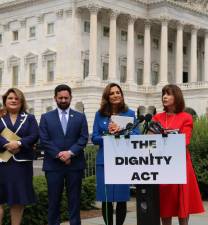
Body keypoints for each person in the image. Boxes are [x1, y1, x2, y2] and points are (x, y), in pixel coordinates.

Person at [152, 84, 204, 225]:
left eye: (168, 94)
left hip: (180, 164)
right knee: (165, 204)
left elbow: (185, 140)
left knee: (183, 204)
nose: (164, 97)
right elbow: (150, 140)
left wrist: (165, 137)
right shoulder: (157, 117)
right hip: (162, 165)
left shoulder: (186, 117)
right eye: (163, 94)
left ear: (177, 97)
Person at [39, 84, 88, 225]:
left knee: (74, 200)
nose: (63, 100)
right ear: (55, 98)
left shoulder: (80, 117)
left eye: (66, 97)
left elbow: (83, 138)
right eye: (60, 97)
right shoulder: (46, 117)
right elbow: (44, 139)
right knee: (54, 200)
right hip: (53, 165)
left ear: (71, 98)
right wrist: (60, 155)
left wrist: (70, 153)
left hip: (75, 165)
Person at [92, 83, 140, 225]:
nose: (115, 95)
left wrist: (121, 132)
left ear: (122, 94)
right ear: (107, 97)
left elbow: (136, 135)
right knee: (106, 199)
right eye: (111, 93)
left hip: (122, 161)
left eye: (117, 92)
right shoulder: (99, 114)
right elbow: (94, 138)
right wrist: (108, 134)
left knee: (121, 198)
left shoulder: (130, 113)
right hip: (104, 161)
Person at [0, 88, 39, 225]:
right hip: (2, 163)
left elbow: (34, 135)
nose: (13, 100)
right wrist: (6, 144)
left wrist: (19, 143)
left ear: (21, 101)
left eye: (17, 98)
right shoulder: (0, 117)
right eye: (10, 98)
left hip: (21, 165)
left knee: (17, 200)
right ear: (5, 100)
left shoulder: (29, 118)